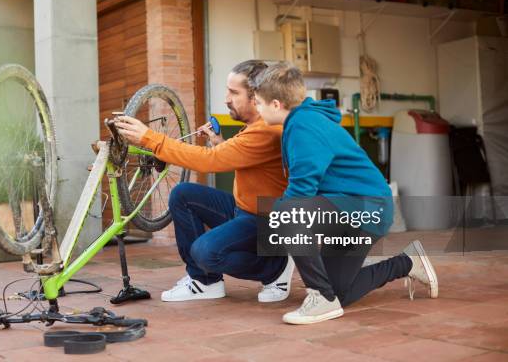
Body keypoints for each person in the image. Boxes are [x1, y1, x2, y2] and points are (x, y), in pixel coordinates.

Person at [252, 62, 438, 325]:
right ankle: (406, 263)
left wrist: (273, 226)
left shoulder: (303, 126)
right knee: (340, 291)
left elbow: (300, 194)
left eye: (258, 103)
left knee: (286, 213)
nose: (257, 109)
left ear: (275, 104)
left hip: (365, 208)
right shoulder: (303, 120)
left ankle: (320, 297)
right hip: (352, 208)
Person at [115, 60, 295, 302]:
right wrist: (220, 144)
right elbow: (245, 158)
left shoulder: (266, 129)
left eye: (233, 92)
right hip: (244, 210)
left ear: (256, 97)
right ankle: (205, 282)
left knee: (205, 252)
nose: (226, 99)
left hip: (265, 221)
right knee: (184, 194)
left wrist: (149, 138)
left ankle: (275, 268)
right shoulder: (255, 126)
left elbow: (208, 161)